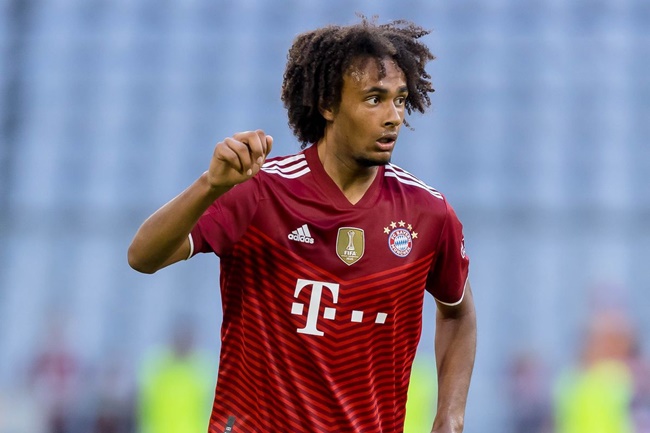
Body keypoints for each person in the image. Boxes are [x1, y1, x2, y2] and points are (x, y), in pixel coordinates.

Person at [128, 17, 476, 433]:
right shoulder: (260, 192)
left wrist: (450, 416)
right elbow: (143, 256)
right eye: (374, 99)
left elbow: (457, 314)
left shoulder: (428, 214)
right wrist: (209, 186)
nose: (393, 117)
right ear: (328, 104)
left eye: (399, 100)